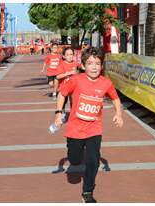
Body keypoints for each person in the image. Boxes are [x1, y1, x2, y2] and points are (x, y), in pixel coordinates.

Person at [54, 47, 124, 203]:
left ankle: (87, 192)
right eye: (90, 63)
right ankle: (73, 150)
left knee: (93, 160)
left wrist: (118, 113)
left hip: (94, 129)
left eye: (97, 64)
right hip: (75, 129)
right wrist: (59, 112)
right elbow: (62, 94)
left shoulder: (106, 83)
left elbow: (115, 98)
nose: (94, 67)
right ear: (83, 66)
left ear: (101, 66)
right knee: (75, 160)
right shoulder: (76, 80)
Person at [56, 47, 80, 113]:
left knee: (73, 101)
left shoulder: (75, 63)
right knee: (63, 102)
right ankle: (62, 112)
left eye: (71, 54)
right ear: (64, 56)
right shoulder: (61, 64)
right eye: (67, 55)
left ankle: (73, 114)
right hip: (64, 87)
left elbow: (78, 71)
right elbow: (58, 76)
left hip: (73, 87)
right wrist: (69, 73)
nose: (70, 56)